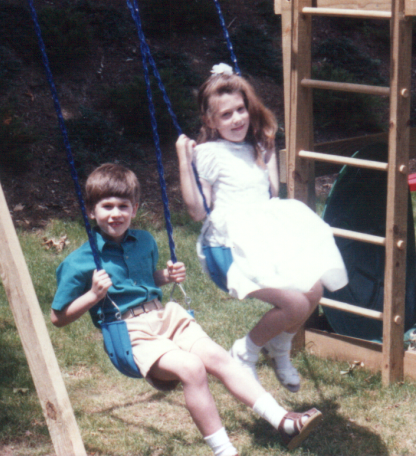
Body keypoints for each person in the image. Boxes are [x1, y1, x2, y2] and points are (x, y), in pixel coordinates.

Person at [51, 163, 322, 455]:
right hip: (130, 333)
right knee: (192, 368)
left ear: (135, 208)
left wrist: (164, 277)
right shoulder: (80, 261)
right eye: (106, 206)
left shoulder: (144, 241)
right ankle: (224, 451)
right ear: (91, 211)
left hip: (165, 316)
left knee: (218, 357)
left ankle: (282, 420)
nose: (115, 214)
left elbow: (142, 279)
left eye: (123, 206)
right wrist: (92, 296)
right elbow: (58, 317)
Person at [175, 64, 348, 393]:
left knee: (314, 290)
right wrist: (184, 161)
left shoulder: (253, 146)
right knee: (295, 305)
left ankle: (279, 348)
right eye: (226, 115)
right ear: (210, 122)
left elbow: (271, 194)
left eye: (241, 109)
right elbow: (198, 211)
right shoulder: (209, 153)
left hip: (260, 241)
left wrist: (268, 153)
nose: (237, 119)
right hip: (226, 250)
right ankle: (245, 352)